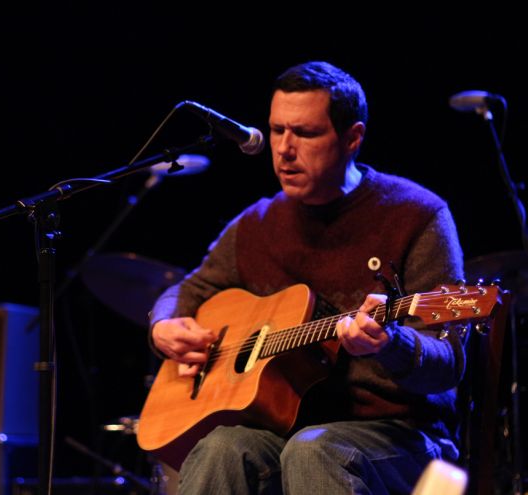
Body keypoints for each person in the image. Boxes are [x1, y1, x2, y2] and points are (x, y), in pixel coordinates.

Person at [148, 61, 465, 494]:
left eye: (306, 133)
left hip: (401, 435)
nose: (284, 149)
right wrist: (163, 325)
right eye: (277, 130)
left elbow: (447, 365)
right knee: (221, 447)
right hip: (288, 426)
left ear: (352, 138)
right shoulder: (256, 224)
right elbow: (187, 289)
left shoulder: (417, 215)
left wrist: (392, 345)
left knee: (313, 449)